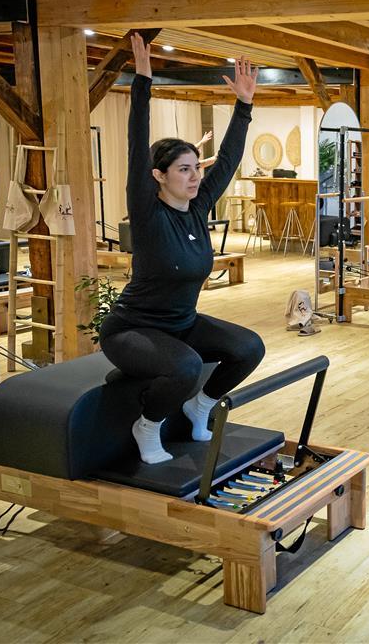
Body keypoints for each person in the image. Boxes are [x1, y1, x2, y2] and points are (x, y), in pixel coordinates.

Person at [100, 33, 265, 465]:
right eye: (184, 170)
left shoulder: (197, 208)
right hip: (133, 331)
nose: (194, 177)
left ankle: (201, 406)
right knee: (186, 366)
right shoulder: (149, 213)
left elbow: (226, 161)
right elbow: (137, 145)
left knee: (249, 348)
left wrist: (244, 107)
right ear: (159, 175)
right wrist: (142, 81)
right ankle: (147, 425)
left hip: (181, 323)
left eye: (196, 169)